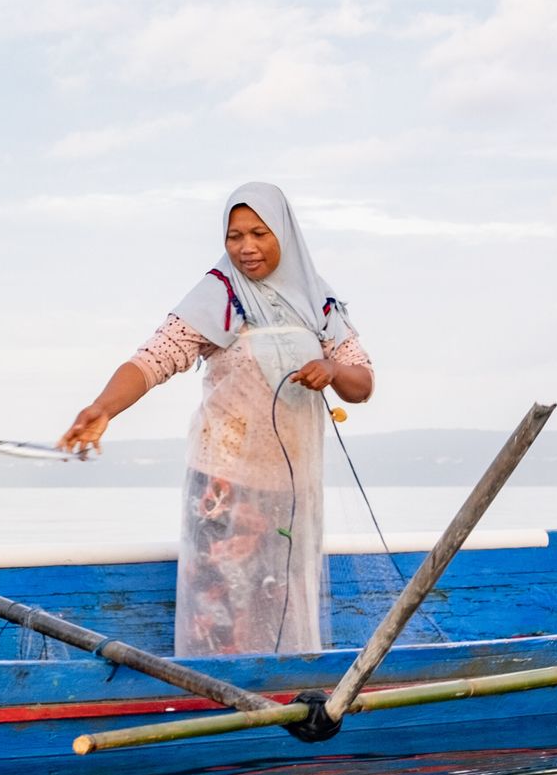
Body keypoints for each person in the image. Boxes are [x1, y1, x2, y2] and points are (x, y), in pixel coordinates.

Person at [60, 183, 372, 657]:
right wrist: (103, 408)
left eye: (259, 233)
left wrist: (331, 370)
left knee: (280, 609)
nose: (246, 247)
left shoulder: (318, 303)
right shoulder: (220, 293)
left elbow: (362, 383)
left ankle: (279, 703)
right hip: (225, 490)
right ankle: (222, 706)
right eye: (235, 236)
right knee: (222, 620)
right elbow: (154, 359)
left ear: (285, 234)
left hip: (290, 494)